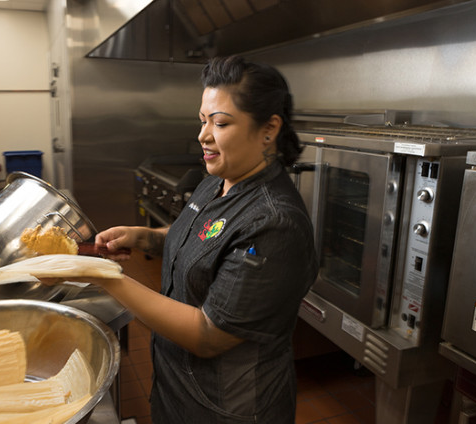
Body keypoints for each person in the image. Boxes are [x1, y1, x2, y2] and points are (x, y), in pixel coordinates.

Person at [93, 56, 318, 423]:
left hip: (228, 407)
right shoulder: (217, 179)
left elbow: (208, 334)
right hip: (178, 386)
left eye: (221, 122)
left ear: (268, 129)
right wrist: (147, 237)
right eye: (203, 120)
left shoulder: (274, 223)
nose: (203, 135)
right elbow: (199, 236)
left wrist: (108, 280)